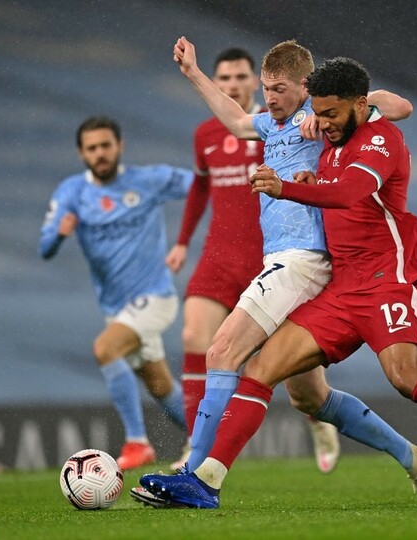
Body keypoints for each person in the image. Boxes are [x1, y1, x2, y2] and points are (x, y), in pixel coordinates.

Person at [139, 57, 417, 508]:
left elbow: (348, 192)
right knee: (263, 369)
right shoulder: (329, 137)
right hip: (339, 288)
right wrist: (309, 176)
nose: (323, 124)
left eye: (332, 114)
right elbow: (322, 173)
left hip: (386, 281)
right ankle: (206, 482)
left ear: (360, 105)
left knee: (406, 378)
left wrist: (287, 187)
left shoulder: (381, 139)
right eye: (318, 114)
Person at [130, 38, 417, 508]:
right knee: (309, 398)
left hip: (301, 261)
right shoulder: (270, 123)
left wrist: (350, 104)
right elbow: (237, 121)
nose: (270, 97)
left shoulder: (318, 122)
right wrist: (193, 73)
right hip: (292, 265)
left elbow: (401, 107)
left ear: (305, 87)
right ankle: (416, 458)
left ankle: (195, 475)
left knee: (222, 350)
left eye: (279, 89)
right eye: (266, 88)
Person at [165, 46, 341, 473]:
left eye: (242, 78)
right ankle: (197, 453)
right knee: (203, 340)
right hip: (235, 255)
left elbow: (391, 106)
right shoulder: (243, 128)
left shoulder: (310, 117)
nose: (236, 86)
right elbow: (207, 175)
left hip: (292, 258)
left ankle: (319, 420)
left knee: (296, 384)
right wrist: (192, 72)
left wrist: (327, 112)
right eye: (225, 79)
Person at [39, 116, 190, 470]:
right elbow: (44, 248)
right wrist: (59, 234)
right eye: (92, 148)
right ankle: (210, 440)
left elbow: (203, 184)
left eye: (106, 145)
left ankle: (138, 442)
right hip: (117, 308)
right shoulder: (71, 192)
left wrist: (186, 238)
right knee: (160, 385)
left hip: (155, 296)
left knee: (105, 348)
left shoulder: (148, 180)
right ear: (81, 153)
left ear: (120, 146)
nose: (100, 153)